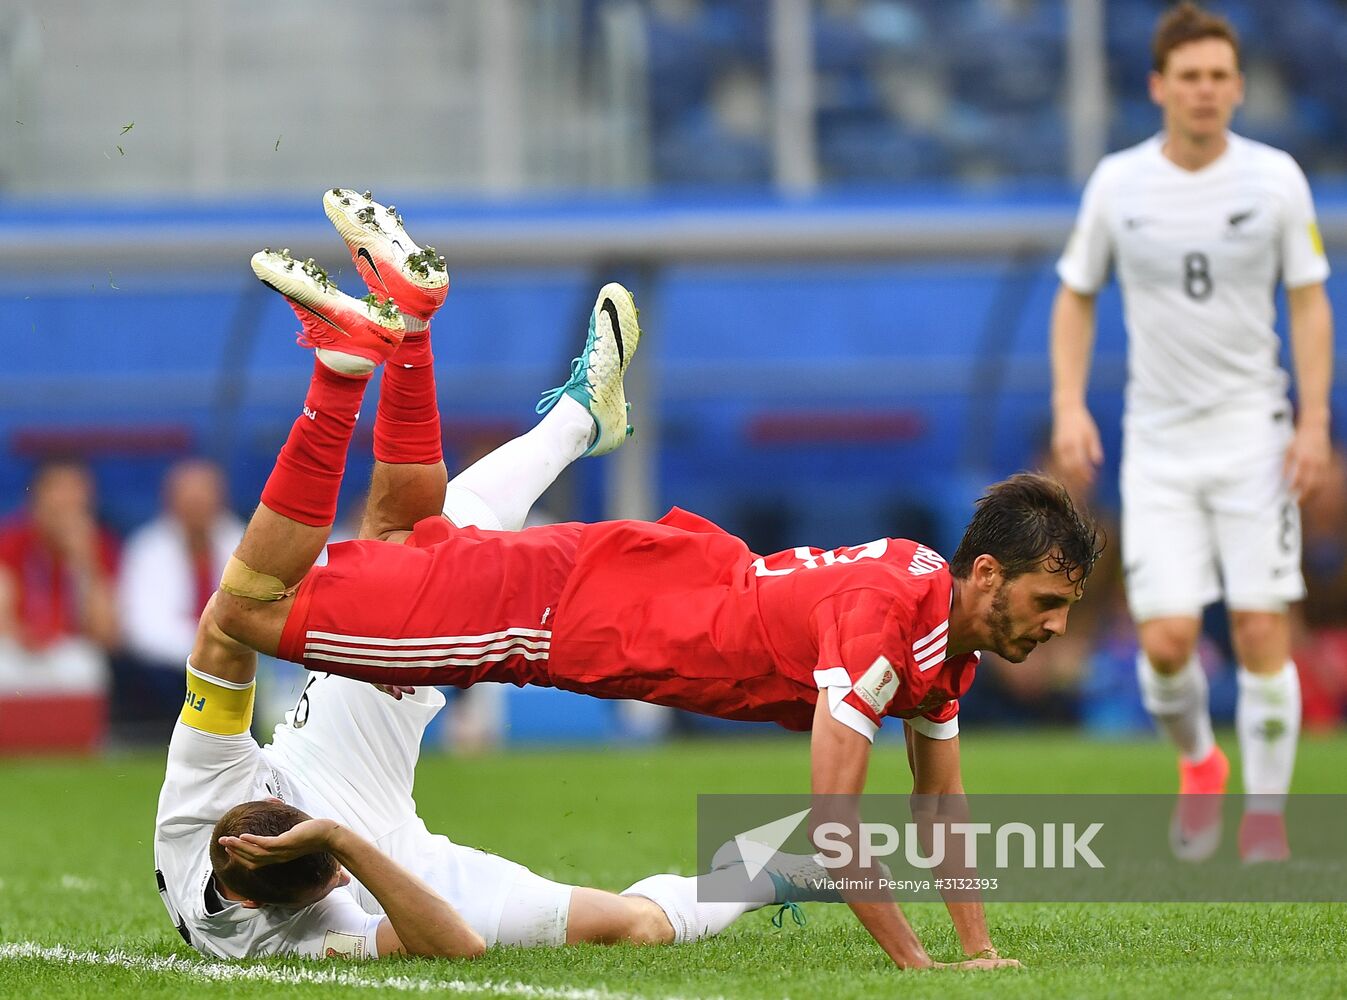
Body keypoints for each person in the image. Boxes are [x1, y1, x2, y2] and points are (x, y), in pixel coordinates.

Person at [197, 193, 1101, 969]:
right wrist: (917, 964)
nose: (1058, 626)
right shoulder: (883, 626)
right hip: (564, 617)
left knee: (405, 538)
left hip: (650, 576)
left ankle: (433, 348)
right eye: (1050, 602)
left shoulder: (931, 613)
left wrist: (975, 949)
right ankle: (363, 360)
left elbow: (937, 800)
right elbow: (834, 822)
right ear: (985, 573)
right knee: (243, 611)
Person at [157, 189, 846, 965]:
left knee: (388, 563)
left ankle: (389, 357)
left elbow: (223, 633)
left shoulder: (202, 798)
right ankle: (774, 869)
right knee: (634, 927)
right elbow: (452, 946)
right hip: (392, 854)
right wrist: (347, 843)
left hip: (318, 757)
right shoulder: (287, 936)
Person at [1049, 2, 1334, 862]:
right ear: (1158, 87)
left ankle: (1265, 820)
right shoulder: (1118, 184)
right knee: (1167, 642)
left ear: (1238, 88)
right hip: (1160, 446)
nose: (1205, 91)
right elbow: (1075, 292)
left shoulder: (1276, 179)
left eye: (1218, 77)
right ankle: (1200, 763)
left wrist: (1313, 421)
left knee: (1258, 627)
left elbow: (1309, 299)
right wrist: (1068, 403)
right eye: (1189, 77)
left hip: (1255, 436)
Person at [118, 458, 244, 735]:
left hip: (234, 664)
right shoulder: (147, 548)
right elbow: (145, 630)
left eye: (204, 499)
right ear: (171, 502)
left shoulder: (243, 541)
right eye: (189, 500)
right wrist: (209, 649)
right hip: (169, 672)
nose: (197, 508)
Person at [0, 460, 119, 749]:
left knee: (88, 667)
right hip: (17, 646)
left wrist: (86, 563)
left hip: (66, 649)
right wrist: (21, 633)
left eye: (75, 493)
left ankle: (84, 748)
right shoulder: (11, 540)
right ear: (37, 497)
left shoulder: (99, 546)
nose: (67, 503)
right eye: (59, 492)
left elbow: (107, 635)